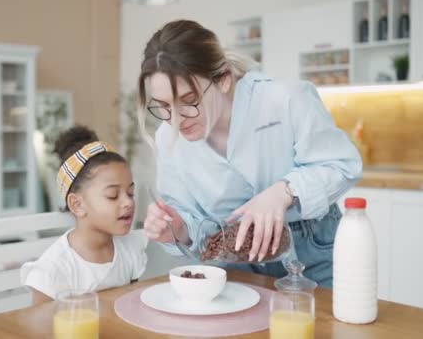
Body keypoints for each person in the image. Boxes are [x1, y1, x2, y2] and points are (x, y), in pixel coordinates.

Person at [138, 20, 362, 288]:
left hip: (311, 249)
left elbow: (342, 165)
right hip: (234, 257)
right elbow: (193, 222)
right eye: (163, 106)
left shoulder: (284, 98)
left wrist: (282, 192)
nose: (175, 119)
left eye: (189, 101)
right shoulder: (167, 137)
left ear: (222, 79)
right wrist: (177, 229)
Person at [21, 126, 148, 304]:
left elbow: (132, 307)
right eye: (113, 195)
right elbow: (41, 330)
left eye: (130, 193)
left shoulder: (130, 250)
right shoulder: (54, 269)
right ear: (77, 205)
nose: (128, 202)